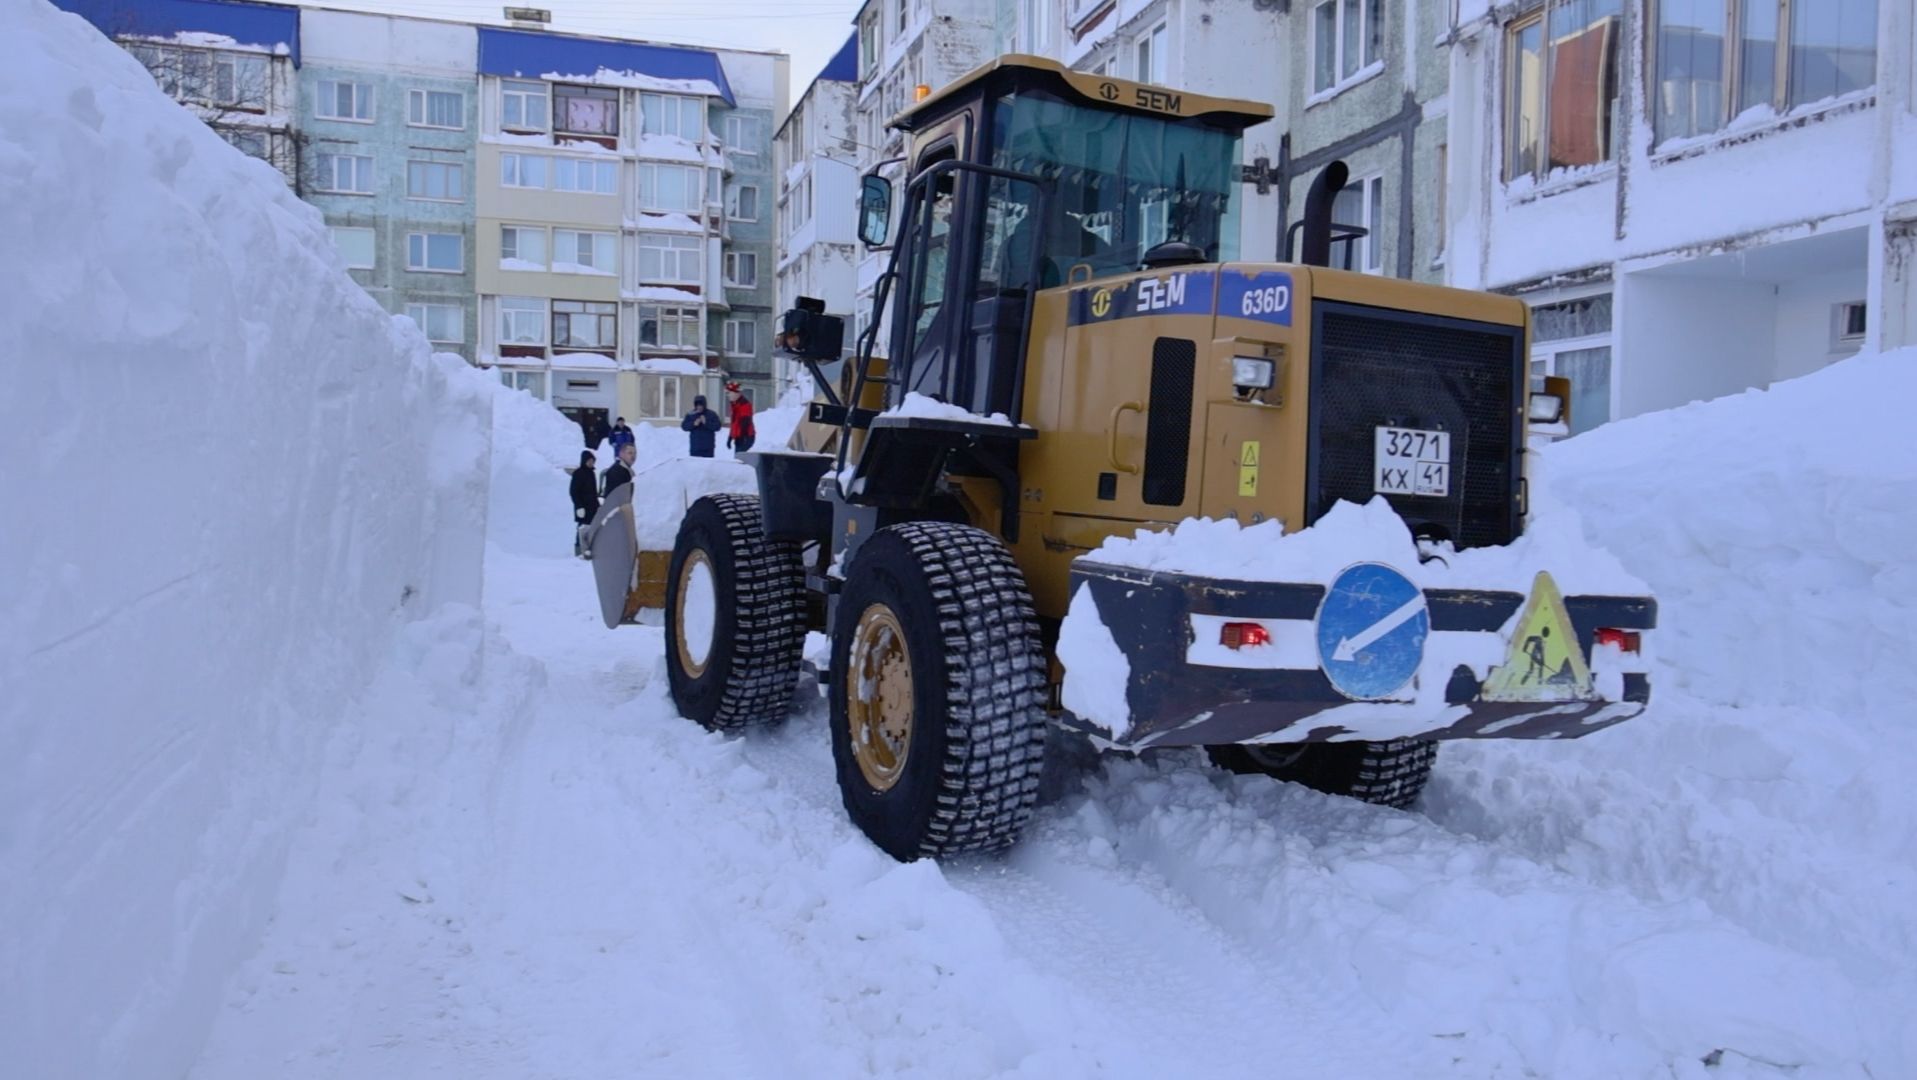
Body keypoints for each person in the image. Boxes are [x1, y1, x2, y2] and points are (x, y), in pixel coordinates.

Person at [569, 449, 599, 556]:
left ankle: (590, 549)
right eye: (589, 461)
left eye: (592, 461)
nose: (591, 463)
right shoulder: (578, 474)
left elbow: (594, 491)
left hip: (593, 506)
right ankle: (579, 550)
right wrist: (579, 506)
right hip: (583, 507)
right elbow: (573, 492)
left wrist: (598, 503)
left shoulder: (592, 473)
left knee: (593, 528)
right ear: (584, 461)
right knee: (582, 528)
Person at [724, 382, 756, 455]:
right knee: (738, 458)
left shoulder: (744, 405)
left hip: (746, 437)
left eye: (729, 393)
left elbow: (745, 423)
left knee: (740, 459)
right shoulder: (735, 405)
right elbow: (734, 423)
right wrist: (730, 437)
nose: (728, 395)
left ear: (736, 393)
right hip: (739, 438)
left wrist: (742, 437)